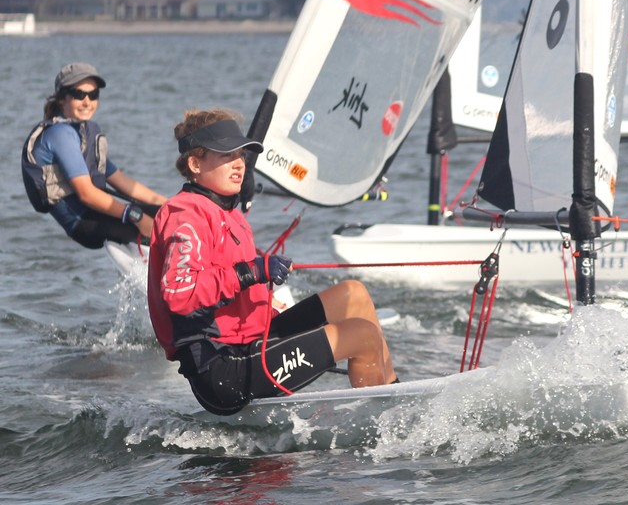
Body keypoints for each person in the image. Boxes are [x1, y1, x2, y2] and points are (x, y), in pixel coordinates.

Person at [147, 108, 397, 416]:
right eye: (226, 156)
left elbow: (236, 291)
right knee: (362, 335)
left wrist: (266, 299)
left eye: (240, 155)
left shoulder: (229, 214)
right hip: (221, 369)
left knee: (353, 295)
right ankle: (382, 427)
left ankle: (397, 398)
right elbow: (180, 295)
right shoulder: (186, 214)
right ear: (195, 164)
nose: (238, 163)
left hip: (249, 343)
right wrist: (251, 271)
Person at [21, 62, 167, 249]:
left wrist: (169, 203)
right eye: (79, 95)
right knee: (162, 228)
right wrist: (136, 216)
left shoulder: (83, 133)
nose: (87, 102)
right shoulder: (60, 134)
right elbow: (87, 194)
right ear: (62, 99)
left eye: (93, 95)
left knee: (169, 214)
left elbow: (124, 184)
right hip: (84, 224)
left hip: (99, 214)